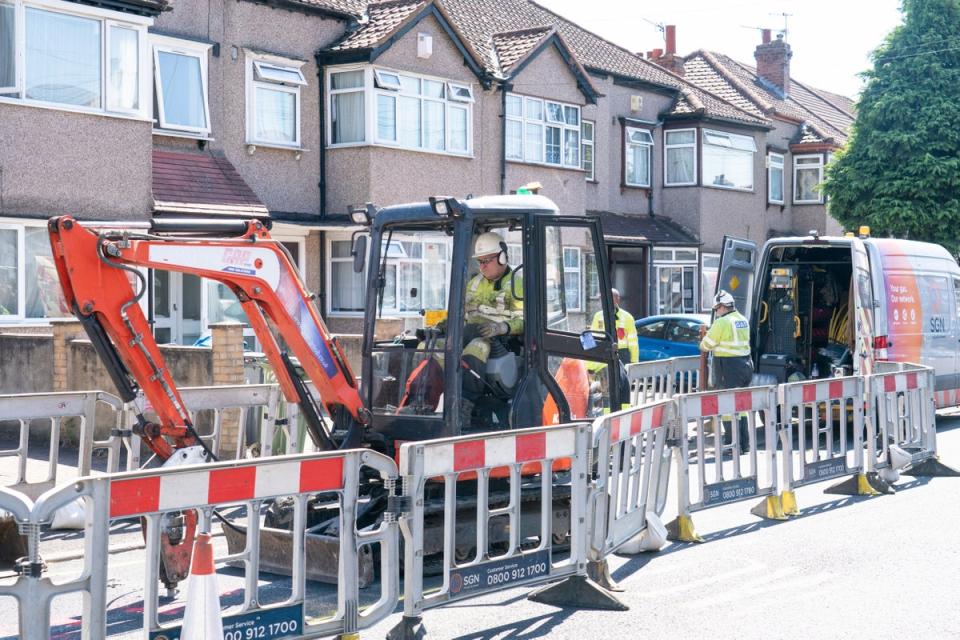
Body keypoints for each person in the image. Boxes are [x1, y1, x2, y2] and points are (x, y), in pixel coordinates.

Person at [459, 231, 523, 425]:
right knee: (434, 349)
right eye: (480, 261)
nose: (482, 266)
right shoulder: (474, 283)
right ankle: (420, 401)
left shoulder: (516, 285)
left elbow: (524, 320)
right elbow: (461, 313)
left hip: (501, 341)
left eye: (487, 260)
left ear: (502, 257)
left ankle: (464, 407)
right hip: (471, 332)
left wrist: (501, 328)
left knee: (476, 349)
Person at [699, 289, 753, 452]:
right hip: (745, 365)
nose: (716, 312)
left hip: (728, 368)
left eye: (716, 309)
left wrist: (704, 343)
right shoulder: (742, 319)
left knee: (728, 407)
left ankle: (732, 445)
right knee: (741, 406)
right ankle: (744, 444)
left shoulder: (722, 322)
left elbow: (705, 345)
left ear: (723, 306)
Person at [590, 288, 639, 365]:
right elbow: (592, 338)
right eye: (601, 298)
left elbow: (633, 342)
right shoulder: (598, 316)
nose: (602, 301)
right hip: (603, 352)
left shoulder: (627, 317)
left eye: (610, 298)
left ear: (617, 300)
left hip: (622, 354)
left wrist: (634, 362)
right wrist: (590, 366)